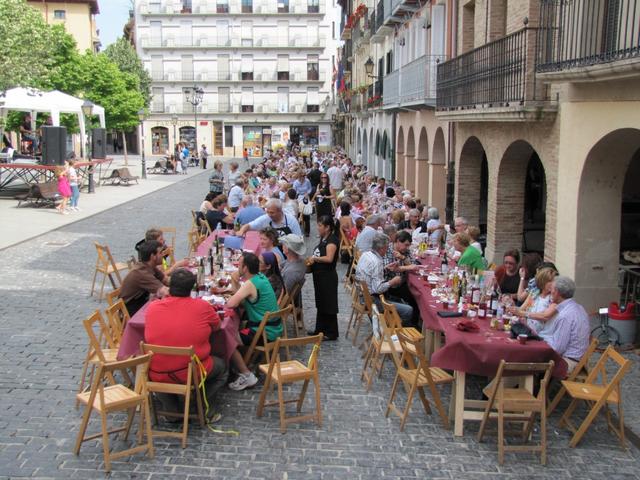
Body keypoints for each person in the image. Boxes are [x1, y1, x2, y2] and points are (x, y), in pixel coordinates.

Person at [144, 269, 227, 422]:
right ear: (192, 288)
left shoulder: (153, 307)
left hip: (156, 371)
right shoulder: (202, 307)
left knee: (163, 364)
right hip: (189, 372)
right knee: (221, 367)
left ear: (170, 286)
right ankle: (205, 409)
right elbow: (217, 327)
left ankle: (171, 409)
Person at [226, 252, 281, 390]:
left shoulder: (250, 284)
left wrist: (234, 281)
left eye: (239, 264)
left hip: (264, 332)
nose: (237, 267)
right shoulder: (260, 277)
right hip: (274, 328)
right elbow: (243, 298)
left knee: (226, 338)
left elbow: (231, 304)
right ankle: (235, 367)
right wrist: (235, 283)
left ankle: (246, 375)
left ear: (245, 268)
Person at [355, 232, 414, 326]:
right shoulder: (377, 262)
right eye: (386, 248)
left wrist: (385, 268)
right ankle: (396, 332)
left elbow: (371, 275)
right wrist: (392, 282)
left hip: (363, 297)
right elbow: (378, 289)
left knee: (402, 299)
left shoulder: (366, 255)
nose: (387, 250)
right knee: (408, 310)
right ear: (382, 248)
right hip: (373, 301)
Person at [539, 276, 590, 373]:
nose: (550, 292)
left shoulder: (565, 315)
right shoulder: (579, 308)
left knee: (531, 362)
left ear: (557, 292)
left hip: (569, 362)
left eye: (552, 289)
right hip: (579, 358)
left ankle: (535, 387)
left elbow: (557, 349)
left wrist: (542, 339)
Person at [307, 215, 339, 340]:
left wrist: (314, 258)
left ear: (327, 227)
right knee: (321, 303)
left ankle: (331, 332)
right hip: (319, 276)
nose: (318, 228)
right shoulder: (323, 238)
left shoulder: (332, 240)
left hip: (328, 277)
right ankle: (319, 329)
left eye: (320, 225)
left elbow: (329, 258)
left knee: (328, 303)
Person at [119, 240, 169, 317]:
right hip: (129, 313)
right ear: (153, 257)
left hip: (141, 305)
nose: (163, 255)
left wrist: (185, 281)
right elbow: (165, 292)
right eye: (160, 253)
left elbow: (166, 280)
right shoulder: (141, 272)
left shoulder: (149, 266)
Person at [384, 230, 420, 327]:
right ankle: (412, 325)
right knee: (414, 298)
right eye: (406, 245)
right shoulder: (388, 250)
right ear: (398, 241)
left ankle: (414, 322)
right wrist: (406, 267)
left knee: (416, 294)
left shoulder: (405, 251)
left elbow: (415, 265)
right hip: (391, 286)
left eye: (408, 245)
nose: (407, 247)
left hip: (402, 283)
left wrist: (403, 258)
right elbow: (392, 270)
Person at [509, 267, 559, 338]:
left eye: (554, 282)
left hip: (544, 337)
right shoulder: (535, 294)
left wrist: (523, 313)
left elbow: (545, 316)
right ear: (543, 281)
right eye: (550, 281)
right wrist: (512, 307)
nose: (553, 284)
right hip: (529, 333)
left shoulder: (553, 298)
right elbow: (521, 310)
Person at [236, 198, 302, 237]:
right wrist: (241, 231)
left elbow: (299, 239)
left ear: (280, 211)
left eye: (272, 212)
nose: (269, 215)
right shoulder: (266, 218)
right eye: (268, 212)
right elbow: (249, 225)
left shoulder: (291, 221)